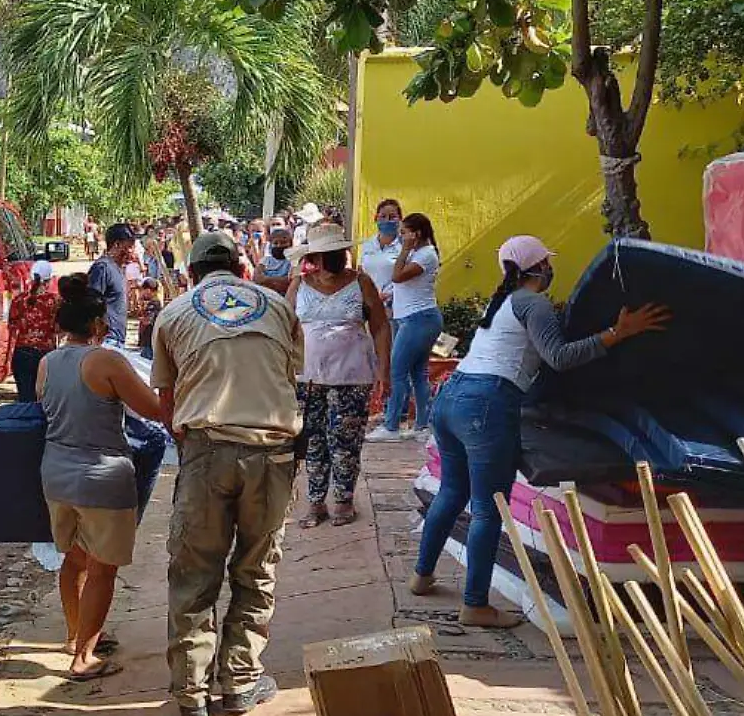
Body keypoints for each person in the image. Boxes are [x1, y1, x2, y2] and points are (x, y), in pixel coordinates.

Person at [412, 236, 670, 627]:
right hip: (485, 403)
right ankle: (475, 604)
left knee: (451, 491)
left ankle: (421, 576)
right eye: (547, 264)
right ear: (538, 268)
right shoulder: (534, 303)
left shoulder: (500, 301)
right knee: (487, 508)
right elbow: (560, 357)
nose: (551, 270)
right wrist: (620, 332)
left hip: (453, 395)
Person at [151, 232, 303, 716]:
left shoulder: (174, 312)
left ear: (192, 272)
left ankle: (192, 693)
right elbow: (290, 375)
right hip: (273, 453)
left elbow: (166, 398)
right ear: (240, 269)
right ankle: (240, 682)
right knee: (256, 568)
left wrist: (191, 450)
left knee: (194, 571)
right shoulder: (277, 306)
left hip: (206, 449)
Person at [38, 275, 166, 680]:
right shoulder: (106, 361)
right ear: (97, 324)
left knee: (73, 558)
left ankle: (75, 635)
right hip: (102, 475)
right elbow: (152, 409)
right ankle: (83, 658)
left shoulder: (47, 363)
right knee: (102, 568)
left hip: (56, 473)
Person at [287, 224, 392, 528]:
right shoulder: (299, 285)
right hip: (308, 378)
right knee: (314, 440)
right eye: (326, 256)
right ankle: (316, 501)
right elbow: (285, 328)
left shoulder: (361, 283)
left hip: (352, 376)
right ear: (315, 257)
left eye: (337, 254)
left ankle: (343, 500)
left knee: (345, 440)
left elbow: (381, 326)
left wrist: (384, 369)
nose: (333, 261)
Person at [371, 213, 444, 441]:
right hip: (414, 318)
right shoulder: (418, 254)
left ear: (417, 234)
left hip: (419, 319)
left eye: (404, 232)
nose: (400, 236)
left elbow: (398, 276)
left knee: (397, 370)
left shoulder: (425, 255)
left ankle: (392, 425)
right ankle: (423, 424)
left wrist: (403, 250)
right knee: (417, 373)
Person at [8, 261, 61, 402]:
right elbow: (59, 329)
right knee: (46, 401)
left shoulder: (19, 300)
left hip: (21, 355)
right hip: (45, 355)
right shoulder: (54, 301)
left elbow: (12, 326)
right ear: (49, 280)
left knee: (25, 401)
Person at [87, 224, 138, 348]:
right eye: (129, 247)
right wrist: (97, 337)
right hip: (107, 341)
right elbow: (90, 303)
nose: (132, 252)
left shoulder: (118, 268)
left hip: (117, 339)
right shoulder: (102, 268)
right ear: (117, 245)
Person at [358, 199, 404, 318]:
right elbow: (361, 272)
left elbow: (407, 277)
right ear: (376, 218)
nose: (387, 220)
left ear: (400, 220)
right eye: (383, 216)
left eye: (392, 217)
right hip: (369, 307)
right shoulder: (367, 245)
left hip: (395, 309)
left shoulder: (404, 247)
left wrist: (388, 295)